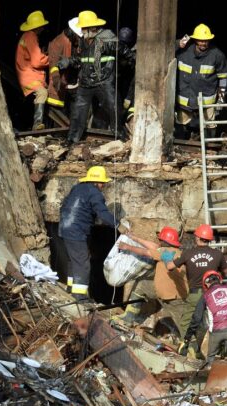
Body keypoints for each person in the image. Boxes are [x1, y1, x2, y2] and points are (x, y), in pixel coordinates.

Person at [164, 224, 227, 356]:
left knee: (187, 321)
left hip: (195, 294)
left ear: (198, 238)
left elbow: (170, 267)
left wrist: (167, 259)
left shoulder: (188, 254)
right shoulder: (218, 254)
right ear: (209, 239)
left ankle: (189, 346)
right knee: (215, 322)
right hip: (213, 294)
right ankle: (219, 351)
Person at [59, 166, 119, 299]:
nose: (103, 186)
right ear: (96, 182)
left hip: (65, 227)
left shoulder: (77, 188)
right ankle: (79, 295)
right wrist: (117, 223)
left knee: (73, 259)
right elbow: (102, 213)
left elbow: (65, 205)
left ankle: (70, 287)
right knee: (82, 262)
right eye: (102, 183)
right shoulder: (95, 193)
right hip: (76, 230)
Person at [61, 11, 120, 145]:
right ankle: (71, 139)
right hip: (86, 82)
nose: (81, 30)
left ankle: (119, 136)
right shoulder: (84, 41)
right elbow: (82, 59)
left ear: (92, 28)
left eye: (83, 28)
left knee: (112, 107)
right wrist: (69, 61)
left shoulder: (108, 38)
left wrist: (133, 59)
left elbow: (122, 53)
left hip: (103, 81)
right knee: (78, 112)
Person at [118, 227, 187, 330]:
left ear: (165, 241)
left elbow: (147, 252)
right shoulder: (177, 252)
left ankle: (129, 317)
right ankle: (129, 316)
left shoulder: (165, 252)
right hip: (177, 293)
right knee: (143, 285)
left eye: (161, 240)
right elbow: (154, 247)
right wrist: (134, 238)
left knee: (184, 328)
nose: (159, 241)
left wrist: (127, 247)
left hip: (173, 297)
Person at [182, 271, 227, 363]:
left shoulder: (205, 296)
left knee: (210, 360)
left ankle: (211, 370)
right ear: (220, 280)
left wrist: (187, 337)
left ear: (206, 284)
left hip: (216, 333)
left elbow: (196, 318)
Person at [175, 24, 227, 139]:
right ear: (195, 39)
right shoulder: (184, 52)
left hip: (207, 99)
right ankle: (182, 145)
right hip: (185, 99)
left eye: (206, 41)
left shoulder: (217, 55)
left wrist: (221, 99)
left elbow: (223, 78)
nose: (203, 43)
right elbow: (165, 48)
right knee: (181, 123)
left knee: (210, 124)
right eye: (201, 40)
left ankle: (210, 145)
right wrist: (178, 43)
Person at [16, 11, 50, 131]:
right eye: (42, 26)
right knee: (42, 93)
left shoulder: (26, 36)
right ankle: (38, 124)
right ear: (38, 27)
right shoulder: (31, 37)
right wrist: (49, 59)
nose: (43, 28)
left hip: (26, 74)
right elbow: (36, 62)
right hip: (30, 76)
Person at [47, 26, 78, 110]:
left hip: (69, 86)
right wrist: (58, 83)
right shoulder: (59, 42)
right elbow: (53, 65)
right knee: (57, 116)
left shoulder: (71, 42)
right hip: (59, 88)